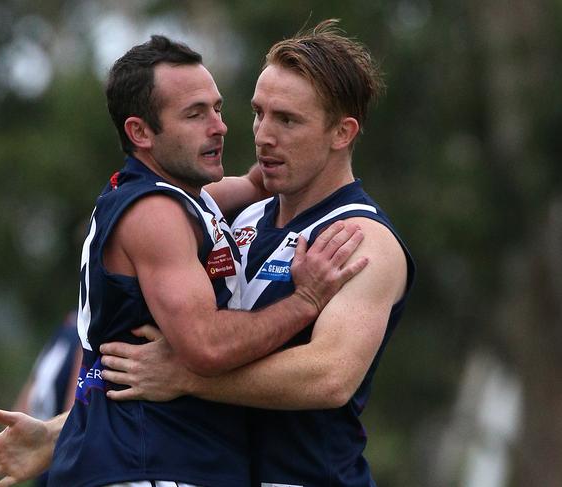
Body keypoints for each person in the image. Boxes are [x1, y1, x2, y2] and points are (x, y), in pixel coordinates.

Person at [0, 34, 367, 487]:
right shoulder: (155, 213)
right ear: (140, 133)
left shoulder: (191, 197)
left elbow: (256, 183)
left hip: (158, 457)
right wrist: (305, 300)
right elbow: (206, 346)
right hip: (149, 463)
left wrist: (291, 153)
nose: (220, 127)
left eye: (220, 108)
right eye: (195, 115)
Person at [99, 19, 415, 486]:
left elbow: (329, 377)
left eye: (287, 120)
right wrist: (60, 435)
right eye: (257, 113)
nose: (263, 135)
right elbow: (150, 370)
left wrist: (190, 377)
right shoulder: (238, 219)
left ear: (342, 132)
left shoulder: (361, 238)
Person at [12, 310, 81, 487]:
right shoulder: (79, 325)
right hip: (56, 455)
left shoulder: (72, 324)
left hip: (52, 455)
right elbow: (79, 411)